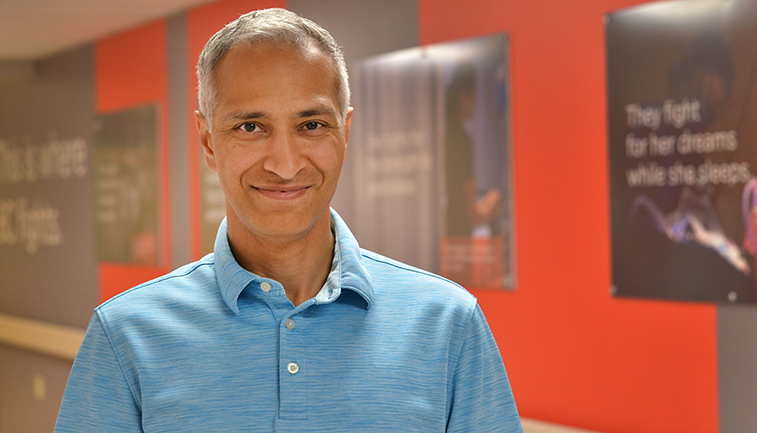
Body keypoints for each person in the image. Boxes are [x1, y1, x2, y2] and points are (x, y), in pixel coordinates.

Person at [54, 8, 522, 432]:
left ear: (347, 131)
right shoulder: (125, 338)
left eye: (312, 125)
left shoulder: (447, 325)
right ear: (208, 141)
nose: (284, 163)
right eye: (250, 127)